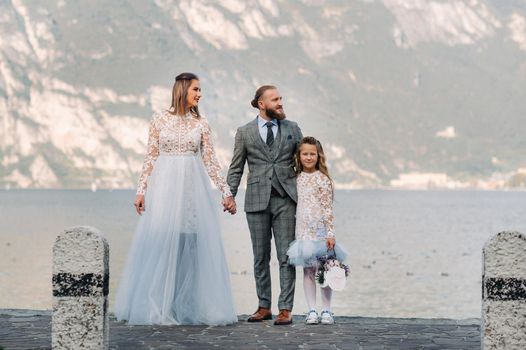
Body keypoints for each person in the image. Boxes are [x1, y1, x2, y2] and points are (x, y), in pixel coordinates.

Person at [114, 72, 237, 326]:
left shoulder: (202, 124)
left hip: (192, 190)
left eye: (200, 90)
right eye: (196, 89)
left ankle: (185, 304)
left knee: (188, 243)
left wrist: (226, 193)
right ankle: (157, 303)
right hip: (164, 189)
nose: (199, 94)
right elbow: (150, 156)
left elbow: (211, 161)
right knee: (160, 240)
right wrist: (141, 190)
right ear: (182, 90)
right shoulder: (159, 120)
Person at [226, 85, 303, 325]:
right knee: (260, 256)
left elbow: (304, 162)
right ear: (261, 104)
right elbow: (236, 166)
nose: (280, 102)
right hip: (256, 200)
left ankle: (286, 308)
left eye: (281, 98)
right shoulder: (245, 132)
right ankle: (263, 306)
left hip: (286, 199)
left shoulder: (293, 128)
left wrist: (313, 194)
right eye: (275, 99)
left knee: (286, 256)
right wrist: (229, 195)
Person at [286, 136, 347, 325]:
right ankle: (312, 310)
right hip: (303, 231)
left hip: (320, 232)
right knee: (308, 271)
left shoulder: (323, 179)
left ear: (318, 156)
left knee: (324, 270)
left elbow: (327, 208)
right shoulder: (296, 178)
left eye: (312, 154)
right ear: (299, 156)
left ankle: (327, 310)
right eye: (305, 154)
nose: (309, 157)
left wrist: (330, 232)